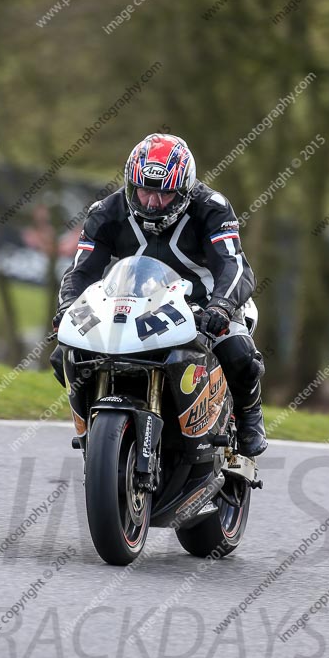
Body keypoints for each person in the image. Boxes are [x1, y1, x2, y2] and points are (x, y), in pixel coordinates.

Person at [50, 133, 267, 456]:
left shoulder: (212, 209)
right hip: (134, 304)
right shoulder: (105, 212)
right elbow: (81, 271)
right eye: (144, 190)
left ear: (184, 190)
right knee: (65, 354)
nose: (151, 201)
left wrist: (221, 307)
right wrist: (68, 305)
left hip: (205, 304)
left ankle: (250, 416)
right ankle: (91, 432)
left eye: (163, 194)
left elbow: (234, 267)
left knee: (237, 353)